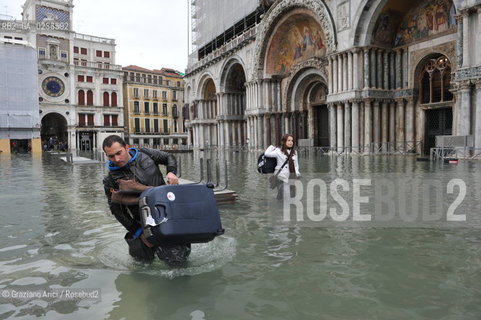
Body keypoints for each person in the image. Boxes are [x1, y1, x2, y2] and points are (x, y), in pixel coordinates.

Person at [102, 135, 191, 264]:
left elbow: (168, 157)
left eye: (119, 153)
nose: (116, 159)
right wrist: (139, 232)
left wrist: (172, 172)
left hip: (168, 216)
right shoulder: (110, 180)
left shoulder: (145, 153)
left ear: (127, 148)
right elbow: (117, 211)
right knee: (141, 266)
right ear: (106, 155)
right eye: (111, 156)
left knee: (178, 262)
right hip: (141, 224)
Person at [264, 134, 301, 200]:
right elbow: (267, 154)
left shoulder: (294, 152)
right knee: (285, 195)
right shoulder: (278, 151)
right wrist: (272, 147)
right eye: (288, 140)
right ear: (284, 142)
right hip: (281, 177)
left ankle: (279, 205)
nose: (291, 142)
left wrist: (297, 173)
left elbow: (296, 165)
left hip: (291, 176)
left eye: (292, 140)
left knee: (289, 195)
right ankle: (280, 207)